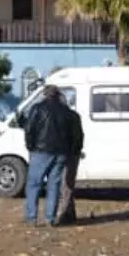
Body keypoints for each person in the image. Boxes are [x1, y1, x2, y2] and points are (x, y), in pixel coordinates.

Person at [22, 84, 76, 226]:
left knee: (34, 184)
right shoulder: (66, 111)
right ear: (58, 95)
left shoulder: (37, 108)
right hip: (60, 153)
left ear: (45, 94)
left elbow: (29, 130)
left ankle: (32, 218)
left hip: (40, 151)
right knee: (54, 186)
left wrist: (30, 147)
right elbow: (71, 134)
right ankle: (50, 219)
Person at [54, 90, 85, 226]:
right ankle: (70, 213)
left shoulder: (62, 117)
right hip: (74, 154)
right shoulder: (75, 116)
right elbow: (80, 136)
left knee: (65, 185)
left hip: (66, 153)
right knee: (68, 184)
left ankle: (66, 214)